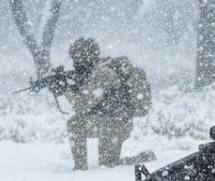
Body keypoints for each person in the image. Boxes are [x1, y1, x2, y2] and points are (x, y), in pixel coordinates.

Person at [58, 38, 148, 170]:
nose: (74, 63)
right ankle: (142, 159)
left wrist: (64, 89)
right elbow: (92, 98)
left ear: (87, 57)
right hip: (114, 123)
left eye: (77, 58)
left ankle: (80, 168)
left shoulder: (103, 73)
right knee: (108, 163)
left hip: (114, 125)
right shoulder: (102, 68)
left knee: (75, 124)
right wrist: (71, 86)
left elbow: (82, 105)